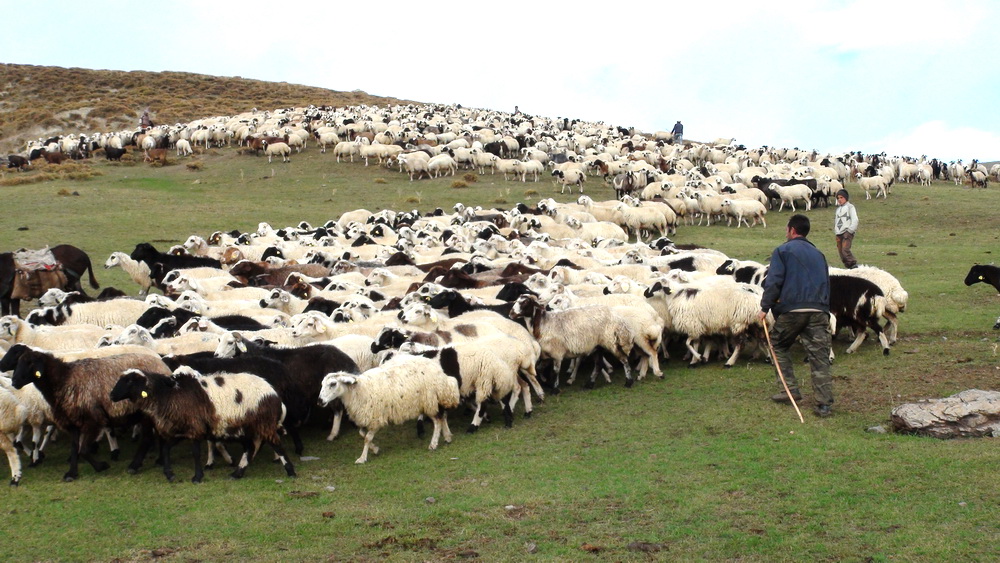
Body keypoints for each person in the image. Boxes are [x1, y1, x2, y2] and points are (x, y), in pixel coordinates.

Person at [757, 214, 834, 417]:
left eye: (786, 229)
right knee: (819, 356)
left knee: (777, 345)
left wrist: (765, 307)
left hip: (792, 310)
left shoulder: (783, 251)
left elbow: (774, 281)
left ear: (792, 230)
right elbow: (826, 281)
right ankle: (824, 403)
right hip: (819, 310)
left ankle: (789, 390)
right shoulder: (819, 254)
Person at [834, 188, 859, 269]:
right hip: (839, 233)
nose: (839, 200)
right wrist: (836, 231)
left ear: (846, 198)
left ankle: (854, 266)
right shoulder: (838, 210)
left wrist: (850, 231)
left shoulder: (850, 207)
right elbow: (837, 221)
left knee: (845, 250)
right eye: (838, 198)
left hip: (846, 232)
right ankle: (849, 268)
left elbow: (855, 219)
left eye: (841, 197)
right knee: (841, 253)